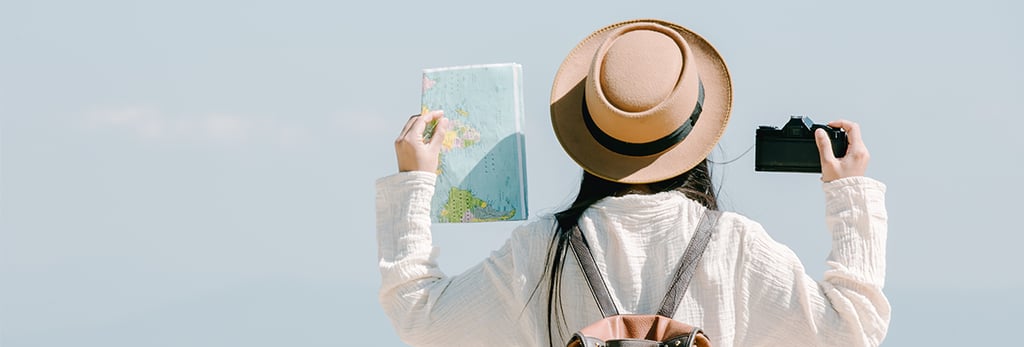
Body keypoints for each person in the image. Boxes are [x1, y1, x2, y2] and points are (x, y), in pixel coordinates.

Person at [376, 19, 889, 347]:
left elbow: (420, 319)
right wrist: (850, 197)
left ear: (588, 132)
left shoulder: (538, 252)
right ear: (697, 130)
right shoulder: (736, 247)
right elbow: (855, 330)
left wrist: (415, 183)